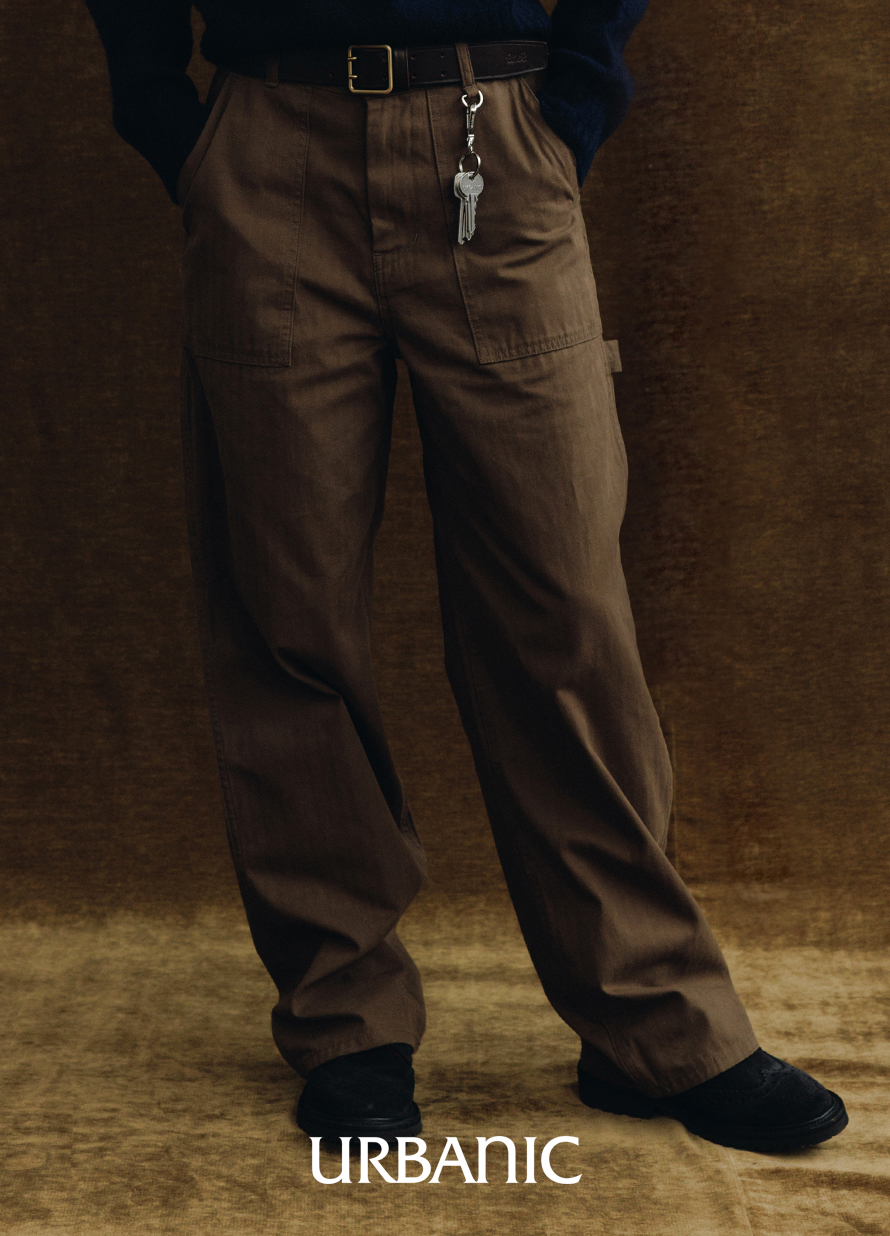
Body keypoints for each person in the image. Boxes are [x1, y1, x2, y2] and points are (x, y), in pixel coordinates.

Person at [83, 0, 847, 1155]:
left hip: (493, 127)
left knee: (562, 609)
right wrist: (162, 115)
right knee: (286, 612)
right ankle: (345, 1018)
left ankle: (651, 1017)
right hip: (265, 146)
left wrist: (576, 100)